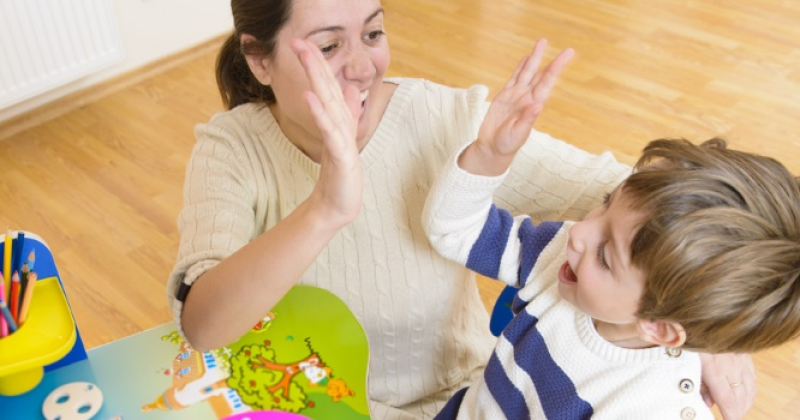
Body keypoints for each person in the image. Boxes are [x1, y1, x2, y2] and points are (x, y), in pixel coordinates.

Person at [165, 0, 756, 417]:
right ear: (259, 60)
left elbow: (643, 203)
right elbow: (203, 326)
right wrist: (324, 208)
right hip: (310, 403)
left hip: (465, 400)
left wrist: (701, 322)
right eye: (327, 46)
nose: (364, 66)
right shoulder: (231, 148)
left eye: (373, 33)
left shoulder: (445, 118)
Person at [422, 43, 800, 419]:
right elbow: (455, 231)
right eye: (606, 202)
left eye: (605, 254)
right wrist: (489, 154)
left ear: (659, 329)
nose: (579, 232)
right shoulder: (558, 256)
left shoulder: (646, 409)